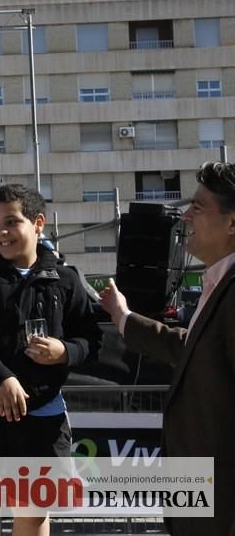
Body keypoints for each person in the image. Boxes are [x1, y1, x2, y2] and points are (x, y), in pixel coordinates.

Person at [0, 184, 101, 536]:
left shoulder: (67, 279)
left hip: (42, 417)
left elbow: (91, 341)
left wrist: (65, 353)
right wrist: (1, 378)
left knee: (33, 516)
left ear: (38, 223)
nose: (0, 233)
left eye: (11, 222)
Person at [100, 161, 235, 536]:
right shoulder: (218, 283)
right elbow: (191, 347)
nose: (186, 216)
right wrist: (124, 317)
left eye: (199, 207)